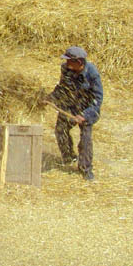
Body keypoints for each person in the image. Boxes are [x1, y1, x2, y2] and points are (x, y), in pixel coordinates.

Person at [42, 46, 103, 181]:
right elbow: (63, 88)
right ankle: (69, 157)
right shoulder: (66, 69)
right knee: (60, 130)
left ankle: (85, 169)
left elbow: (97, 99)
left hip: (87, 109)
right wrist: (51, 97)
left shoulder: (92, 74)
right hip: (71, 105)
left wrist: (85, 115)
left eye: (69, 61)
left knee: (85, 140)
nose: (67, 64)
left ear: (79, 62)